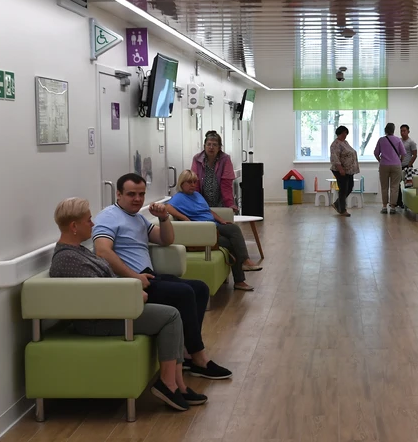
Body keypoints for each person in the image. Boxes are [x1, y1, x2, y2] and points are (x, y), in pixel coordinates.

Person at [48, 197, 206, 412]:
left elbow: (103, 286)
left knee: (176, 309)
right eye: (88, 220)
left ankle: (177, 383)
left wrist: (129, 292)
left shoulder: (78, 251)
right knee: (170, 316)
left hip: (111, 310)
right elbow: (95, 296)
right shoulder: (68, 259)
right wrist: (132, 296)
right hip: (98, 320)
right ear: (74, 226)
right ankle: (169, 384)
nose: (93, 224)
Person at [92, 173, 232, 380]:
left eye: (141, 194)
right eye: (131, 194)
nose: (137, 199)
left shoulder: (137, 217)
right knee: (184, 293)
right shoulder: (109, 216)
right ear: (118, 194)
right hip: (131, 284)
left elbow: (166, 239)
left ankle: (187, 352)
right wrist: (134, 277)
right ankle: (199, 358)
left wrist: (164, 218)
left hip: (148, 276)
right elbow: (102, 251)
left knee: (200, 288)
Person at [165, 170, 262, 292]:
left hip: (214, 225)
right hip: (205, 232)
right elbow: (167, 207)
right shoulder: (179, 198)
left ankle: (244, 263)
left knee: (233, 228)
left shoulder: (197, 195)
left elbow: (208, 210)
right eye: (189, 182)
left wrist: (221, 220)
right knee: (232, 243)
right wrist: (185, 218)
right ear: (181, 183)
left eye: (194, 182)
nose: (193, 185)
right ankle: (240, 279)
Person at [191, 130, 238, 212]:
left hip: (221, 202)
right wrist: (196, 203)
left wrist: (230, 204)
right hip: (202, 202)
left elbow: (226, 185)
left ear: (219, 147)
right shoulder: (197, 159)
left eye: (214, 145)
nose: (211, 147)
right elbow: (195, 183)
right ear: (204, 146)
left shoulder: (225, 159)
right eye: (208, 144)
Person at [374, 122, 406, 214]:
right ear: (393, 130)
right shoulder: (398, 140)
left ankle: (384, 207)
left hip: (384, 165)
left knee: (384, 187)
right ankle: (393, 207)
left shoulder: (381, 140)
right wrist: (399, 161)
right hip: (396, 165)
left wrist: (380, 160)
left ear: (385, 130)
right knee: (394, 187)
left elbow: (376, 153)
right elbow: (403, 153)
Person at [329, 125, 359, 217]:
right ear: (339, 133)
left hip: (349, 170)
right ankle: (342, 209)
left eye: (346, 133)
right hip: (340, 170)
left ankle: (337, 204)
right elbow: (335, 158)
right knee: (343, 189)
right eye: (343, 133)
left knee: (349, 187)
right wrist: (340, 169)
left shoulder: (345, 142)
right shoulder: (335, 144)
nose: (345, 135)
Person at [395, 124, 418, 209]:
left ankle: (408, 204)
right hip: (398, 166)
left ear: (408, 131)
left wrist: (409, 164)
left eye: (404, 131)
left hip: (407, 166)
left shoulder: (411, 142)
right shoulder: (398, 141)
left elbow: (415, 155)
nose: (402, 132)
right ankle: (399, 202)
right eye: (401, 131)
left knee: (408, 185)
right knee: (396, 184)